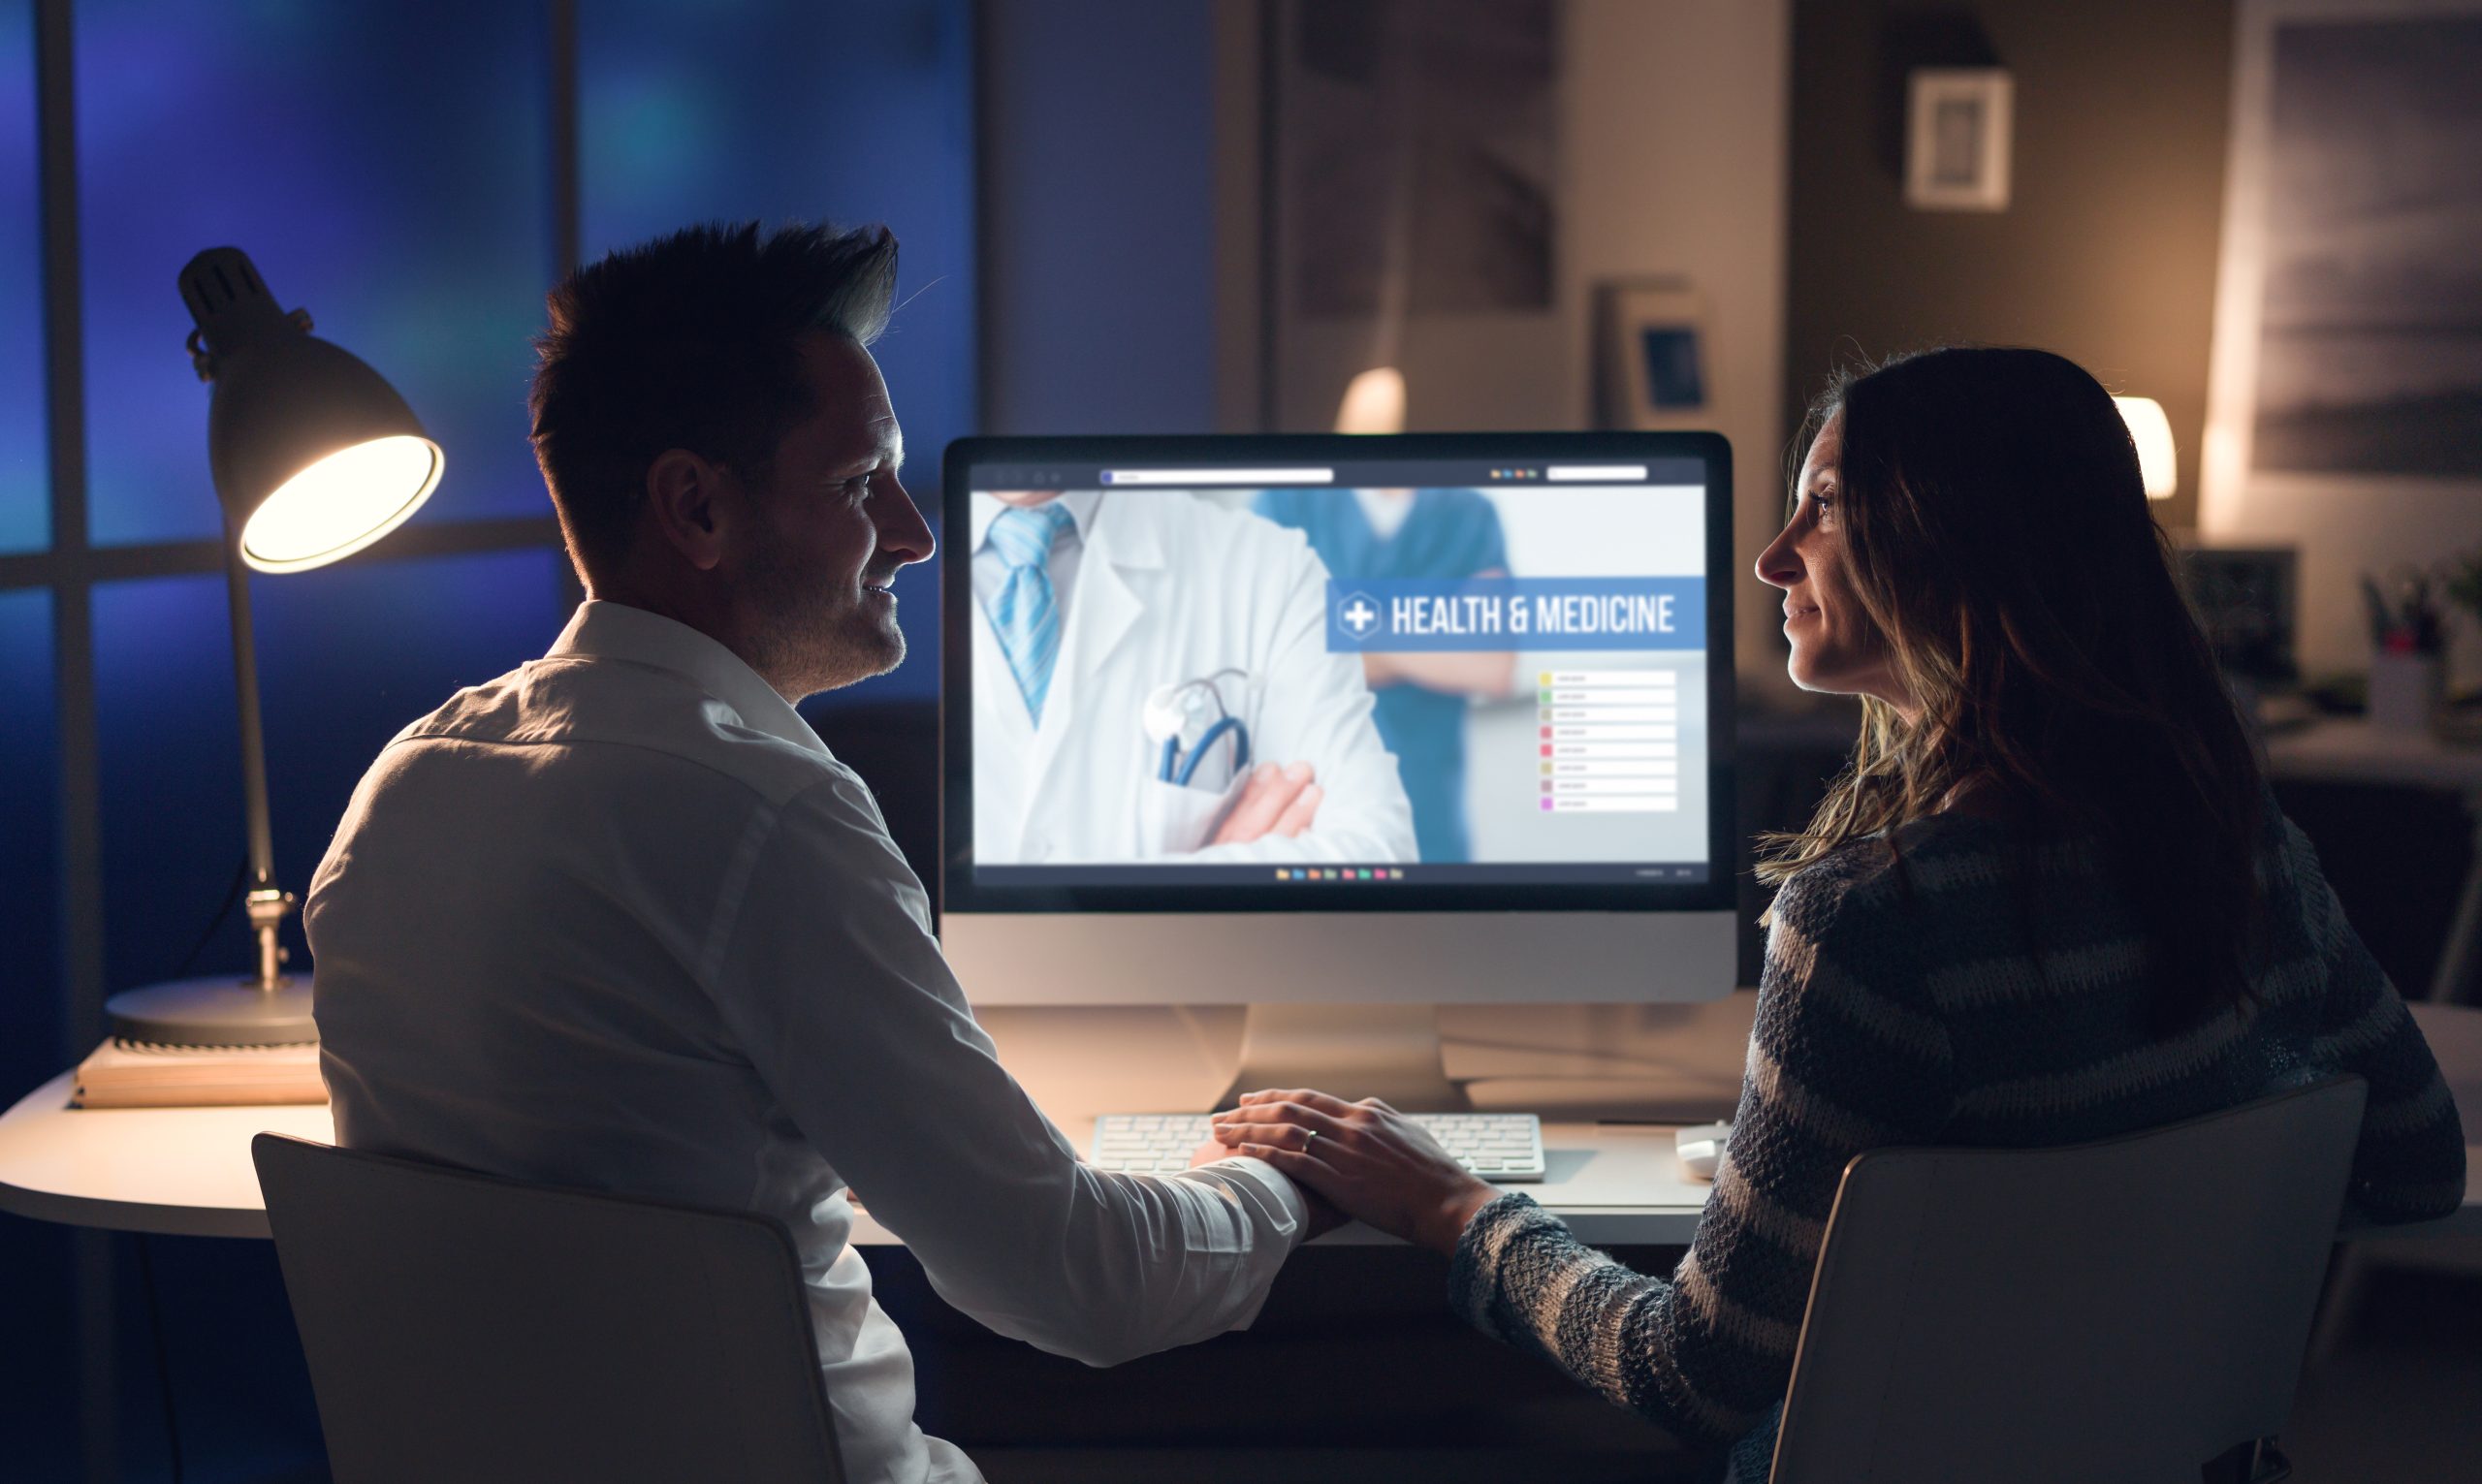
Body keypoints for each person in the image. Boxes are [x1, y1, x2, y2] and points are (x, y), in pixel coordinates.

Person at [1210, 347, 2468, 1479]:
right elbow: (2413, 1165)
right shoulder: (2246, 843)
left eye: (1823, 500)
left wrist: (1447, 1202)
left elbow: (1693, 1376)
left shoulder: (1877, 920)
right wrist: (2127, 1265)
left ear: (1954, 536)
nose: (1773, 553)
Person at [305, 223, 1321, 1484]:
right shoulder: (763, 811)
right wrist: (1290, 1177)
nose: (915, 532)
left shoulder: (400, 790)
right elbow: (1079, 1280)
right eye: (860, 483)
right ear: (698, 505)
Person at [970, 487, 1416, 865]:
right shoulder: (902, 582)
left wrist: (1177, 889)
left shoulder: (1268, 566)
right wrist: (1197, 891)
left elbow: (1378, 849)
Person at [1254, 486, 1517, 864]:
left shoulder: (1468, 512)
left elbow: (1493, 667)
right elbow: (1269, 655)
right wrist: (1437, 638)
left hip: (1428, 809)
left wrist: (1341, 625)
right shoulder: (1289, 500)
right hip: (1309, 817)